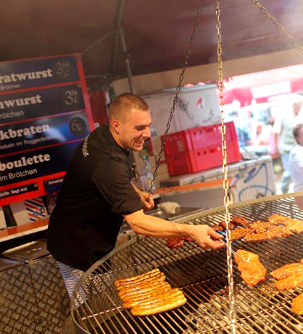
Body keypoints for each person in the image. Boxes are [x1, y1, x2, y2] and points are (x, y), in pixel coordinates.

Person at [47, 93, 223, 295]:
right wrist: (192, 231)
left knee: (106, 297)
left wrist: (136, 193)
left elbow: (108, 180)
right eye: (139, 128)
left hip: (86, 235)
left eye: (148, 125)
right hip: (76, 247)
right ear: (116, 125)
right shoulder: (108, 163)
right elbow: (138, 223)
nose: (147, 133)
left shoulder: (104, 135)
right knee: (92, 309)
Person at [277, 92, 303, 193]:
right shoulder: (283, 115)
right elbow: (276, 131)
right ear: (294, 105)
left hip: (298, 148)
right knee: (289, 172)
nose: (300, 108)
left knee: (299, 171)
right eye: (299, 106)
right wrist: (276, 146)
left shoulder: (301, 117)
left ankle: (301, 191)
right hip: (286, 148)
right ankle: (283, 189)